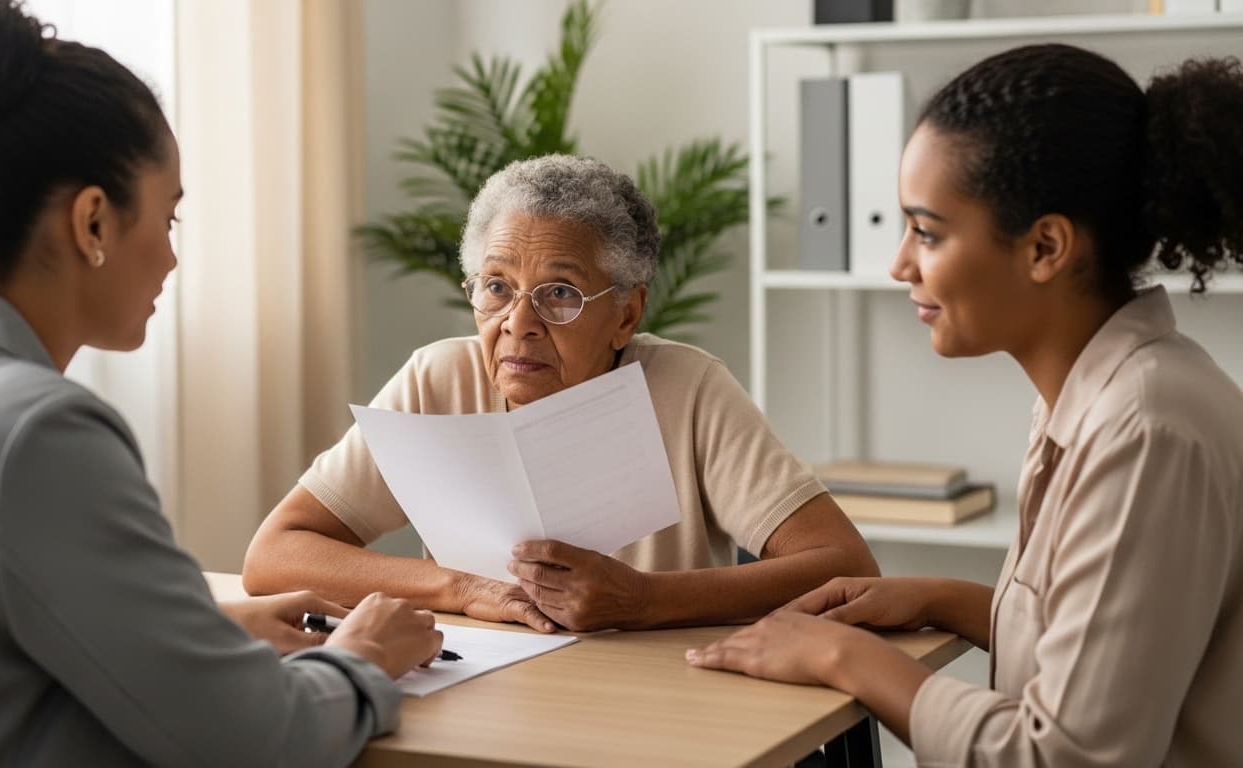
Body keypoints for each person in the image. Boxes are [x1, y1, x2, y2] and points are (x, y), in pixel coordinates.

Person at [0, 2, 443, 765]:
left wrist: (207, 635)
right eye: (169, 217)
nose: (172, 258)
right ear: (92, 222)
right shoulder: (39, 434)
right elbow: (261, 740)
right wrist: (363, 655)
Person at [686, 44, 1243, 765]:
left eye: (927, 232)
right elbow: (1098, 647)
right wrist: (940, 598)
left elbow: (1062, 756)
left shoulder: (1143, 430)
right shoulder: (1103, 394)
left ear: (1045, 247)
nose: (900, 264)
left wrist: (839, 655)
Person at [243, 154, 879, 633]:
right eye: (496, 287)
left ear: (626, 315)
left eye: (560, 294)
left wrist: (644, 600)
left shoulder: (689, 389)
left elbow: (844, 564)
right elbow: (274, 555)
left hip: (658, 701)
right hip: (479, 687)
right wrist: (459, 587)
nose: (518, 323)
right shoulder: (438, 378)